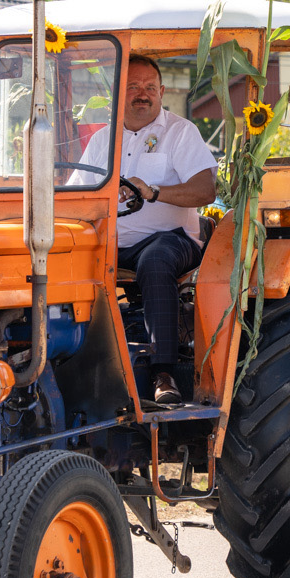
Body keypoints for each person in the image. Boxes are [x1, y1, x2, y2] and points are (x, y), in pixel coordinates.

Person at [73, 55, 217, 404]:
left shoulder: (180, 132)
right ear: (117, 93)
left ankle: (163, 374)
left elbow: (205, 191)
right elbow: (76, 195)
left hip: (172, 239)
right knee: (60, 258)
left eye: (150, 87)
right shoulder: (103, 140)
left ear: (162, 92)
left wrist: (153, 191)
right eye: (134, 87)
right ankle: (71, 364)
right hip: (110, 243)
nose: (143, 94)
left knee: (155, 260)